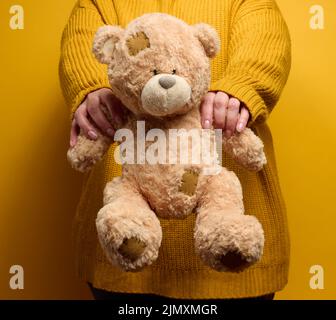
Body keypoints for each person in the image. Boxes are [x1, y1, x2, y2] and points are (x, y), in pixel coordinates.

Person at [59, 0, 291, 300]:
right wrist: (93, 90)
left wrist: (237, 90)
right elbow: (81, 47)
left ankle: (225, 234)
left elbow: (266, 47)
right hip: (121, 254)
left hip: (235, 251)